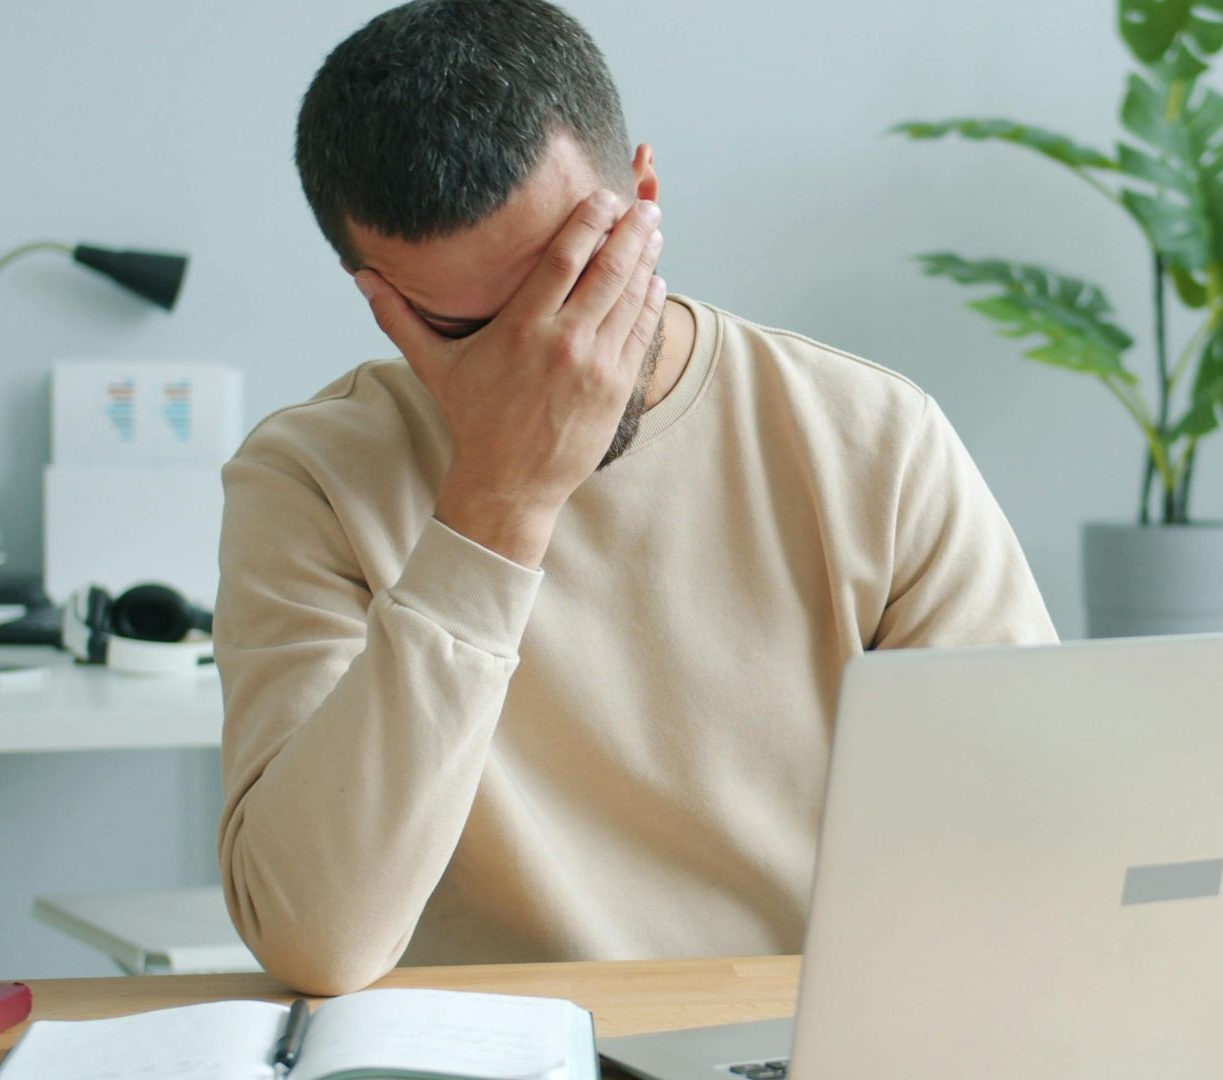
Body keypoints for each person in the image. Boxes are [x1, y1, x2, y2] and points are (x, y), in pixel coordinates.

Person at [215, 0, 1056, 996]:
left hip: (803, 1034)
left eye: (570, 285)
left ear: (643, 199)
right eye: (470, 327)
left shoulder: (872, 437)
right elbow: (321, 939)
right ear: (378, 293)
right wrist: (499, 502)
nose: (550, 354)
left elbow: (1029, 856)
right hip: (498, 1056)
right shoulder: (309, 480)